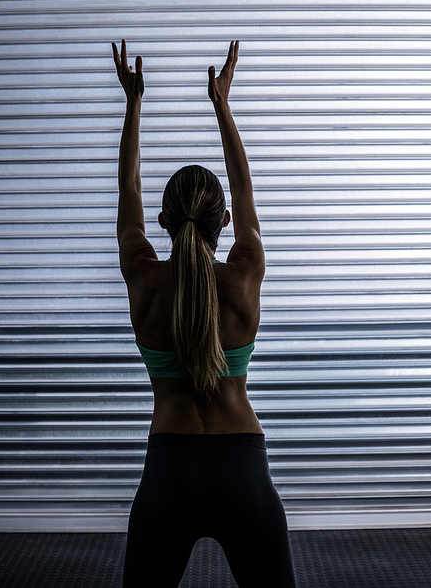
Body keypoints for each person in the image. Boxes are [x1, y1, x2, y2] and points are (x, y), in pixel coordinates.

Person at [113, 39, 296, 588]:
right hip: (242, 468)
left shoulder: (144, 278)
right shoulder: (245, 272)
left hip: (170, 469)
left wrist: (133, 104)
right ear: (225, 220)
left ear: (164, 220)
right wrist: (223, 104)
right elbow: (244, 188)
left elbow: (128, 186)